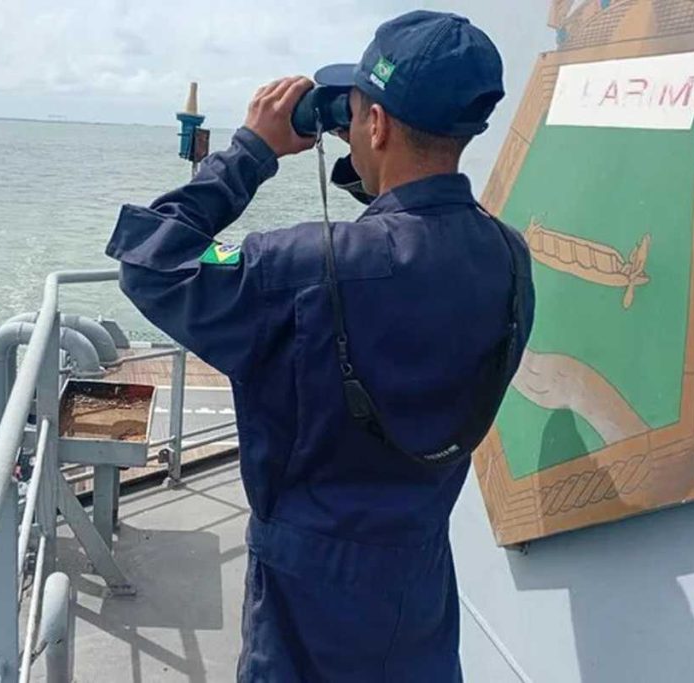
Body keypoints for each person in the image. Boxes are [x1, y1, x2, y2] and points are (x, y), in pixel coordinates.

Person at [105, 10, 535, 682]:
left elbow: (162, 255)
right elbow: (415, 243)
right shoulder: (511, 262)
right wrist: (376, 156)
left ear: (379, 124)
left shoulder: (298, 265)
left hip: (305, 606)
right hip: (416, 590)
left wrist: (252, 150)